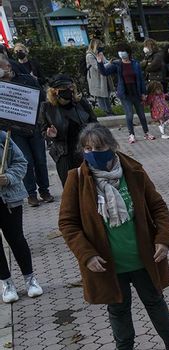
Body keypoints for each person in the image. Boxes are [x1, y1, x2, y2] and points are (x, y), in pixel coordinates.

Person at [58, 123, 169, 350]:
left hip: (144, 258)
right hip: (109, 264)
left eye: (100, 147)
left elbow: (158, 207)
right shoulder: (77, 179)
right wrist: (87, 254)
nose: (94, 152)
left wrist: (163, 240)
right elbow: (68, 223)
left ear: (112, 147)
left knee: (155, 301)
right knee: (118, 309)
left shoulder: (133, 171)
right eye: (88, 148)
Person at [0, 55, 52, 207]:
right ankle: (31, 193)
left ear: (8, 67)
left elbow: (41, 99)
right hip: (13, 131)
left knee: (40, 160)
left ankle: (44, 190)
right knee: (26, 161)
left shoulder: (26, 80)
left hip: (33, 127)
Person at [0, 127, 42, 303]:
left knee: (16, 238)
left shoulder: (3, 137)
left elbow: (21, 162)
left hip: (9, 198)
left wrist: (8, 177)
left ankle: (30, 279)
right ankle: (6, 283)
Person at [42, 75, 97, 186]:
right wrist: (51, 135)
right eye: (64, 88)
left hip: (84, 150)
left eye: (70, 87)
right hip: (63, 153)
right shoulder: (47, 108)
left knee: (89, 185)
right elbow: (43, 130)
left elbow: (95, 123)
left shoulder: (81, 103)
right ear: (55, 91)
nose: (68, 90)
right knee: (70, 188)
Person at [96, 43, 156, 143]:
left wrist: (143, 93)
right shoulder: (117, 64)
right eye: (119, 51)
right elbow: (105, 72)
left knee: (141, 114)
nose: (121, 53)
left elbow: (140, 79)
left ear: (128, 53)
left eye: (123, 51)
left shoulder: (135, 64)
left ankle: (146, 133)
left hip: (136, 92)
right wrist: (100, 62)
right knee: (129, 115)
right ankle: (131, 134)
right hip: (125, 94)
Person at [85, 40, 112, 114]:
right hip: (96, 79)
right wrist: (110, 63)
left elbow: (105, 62)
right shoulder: (89, 56)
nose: (101, 48)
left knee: (106, 94)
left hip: (103, 77)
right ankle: (106, 112)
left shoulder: (100, 53)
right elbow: (98, 67)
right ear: (95, 47)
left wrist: (109, 63)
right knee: (100, 95)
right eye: (99, 46)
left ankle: (109, 111)